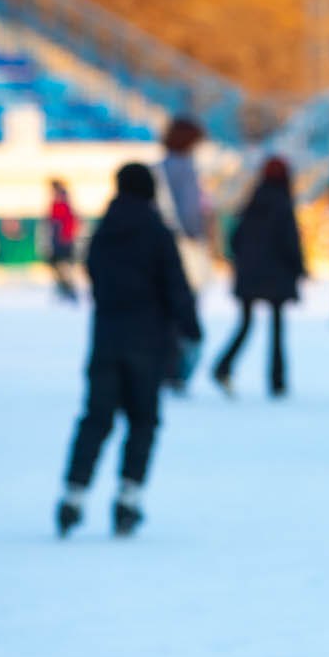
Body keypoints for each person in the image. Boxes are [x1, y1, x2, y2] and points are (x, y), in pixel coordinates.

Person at [56, 162, 202, 537]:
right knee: (143, 421)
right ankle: (128, 498)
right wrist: (190, 327)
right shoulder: (157, 232)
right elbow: (175, 285)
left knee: (96, 419)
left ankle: (73, 495)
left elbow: (93, 273)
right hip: (148, 343)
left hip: (106, 339)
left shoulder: (104, 230)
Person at [212, 156, 306, 398]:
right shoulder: (282, 204)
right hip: (276, 275)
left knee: (246, 324)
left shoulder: (253, 202)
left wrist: (244, 262)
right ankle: (277, 380)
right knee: (277, 328)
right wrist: (299, 268)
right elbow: (290, 241)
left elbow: (235, 239)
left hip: (250, 274)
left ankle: (223, 366)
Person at [158, 118, 210, 393]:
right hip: (184, 250)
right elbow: (190, 213)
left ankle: (164, 366)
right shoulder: (186, 168)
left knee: (165, 312)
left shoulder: (160, 167)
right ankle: (176, 370)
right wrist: (198, 233)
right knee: (184, 309)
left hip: (161, 249)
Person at [45, 178, 81, 303]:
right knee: (57, 265)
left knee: (63, 265)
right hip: (59, 239)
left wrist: (66, 236)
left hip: (64, 240)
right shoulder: (57, 201)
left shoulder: (63, 201)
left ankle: (68, 290)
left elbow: (69, 220)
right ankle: (66, 289)